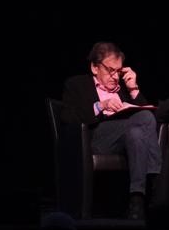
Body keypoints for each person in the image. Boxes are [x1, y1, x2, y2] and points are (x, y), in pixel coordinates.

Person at [60, 42, 161, 219]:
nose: (115, 76)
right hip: (95, 139)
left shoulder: (122, 90)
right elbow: (68, 117)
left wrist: (133, 89)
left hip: (126, 141)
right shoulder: (77, 84)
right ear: (94, 67)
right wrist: (100, 106)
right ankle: (154, 182)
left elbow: (149, 120)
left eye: (119, 71)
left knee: (138, 131)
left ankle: (136, 199)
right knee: (143, 119)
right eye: (110, 70)